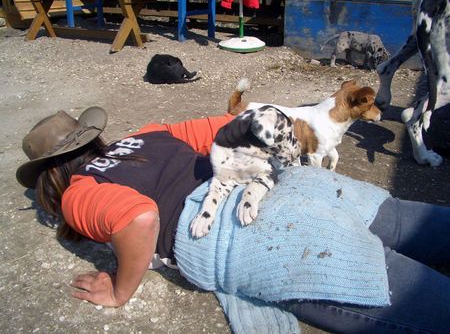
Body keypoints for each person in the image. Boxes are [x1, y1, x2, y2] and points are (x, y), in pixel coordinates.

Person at [16, 106, 450, 333]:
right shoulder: (144, 133)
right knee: (416, 224)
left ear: (49, 178)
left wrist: (119, 289)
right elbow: (232, 125)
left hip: (262, 239)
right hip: (293, 186)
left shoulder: (80, 192)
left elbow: (140, 219)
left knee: (426, 303)